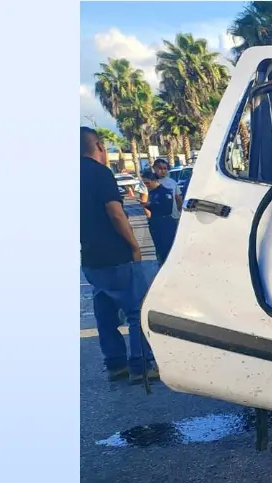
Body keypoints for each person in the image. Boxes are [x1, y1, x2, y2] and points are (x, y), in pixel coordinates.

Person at [80, 127, 157, 384]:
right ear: (100, 147)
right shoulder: (101, 174)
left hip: (91, 258)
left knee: (104, 312)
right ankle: (141, 365)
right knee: (136, 311)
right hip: (115, 253)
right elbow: (115, 212)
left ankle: (115, 364)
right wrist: (133, 245)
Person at [139, 170, 179, 266]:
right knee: (159, 249)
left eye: (147, 183)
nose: (146, 185)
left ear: (153, 180)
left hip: (165, 223)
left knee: (167, 249)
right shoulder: (152, 192)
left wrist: (149, 205)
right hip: (155, 223)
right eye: (144, 183)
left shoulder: (165, 192)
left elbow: (166, 208)